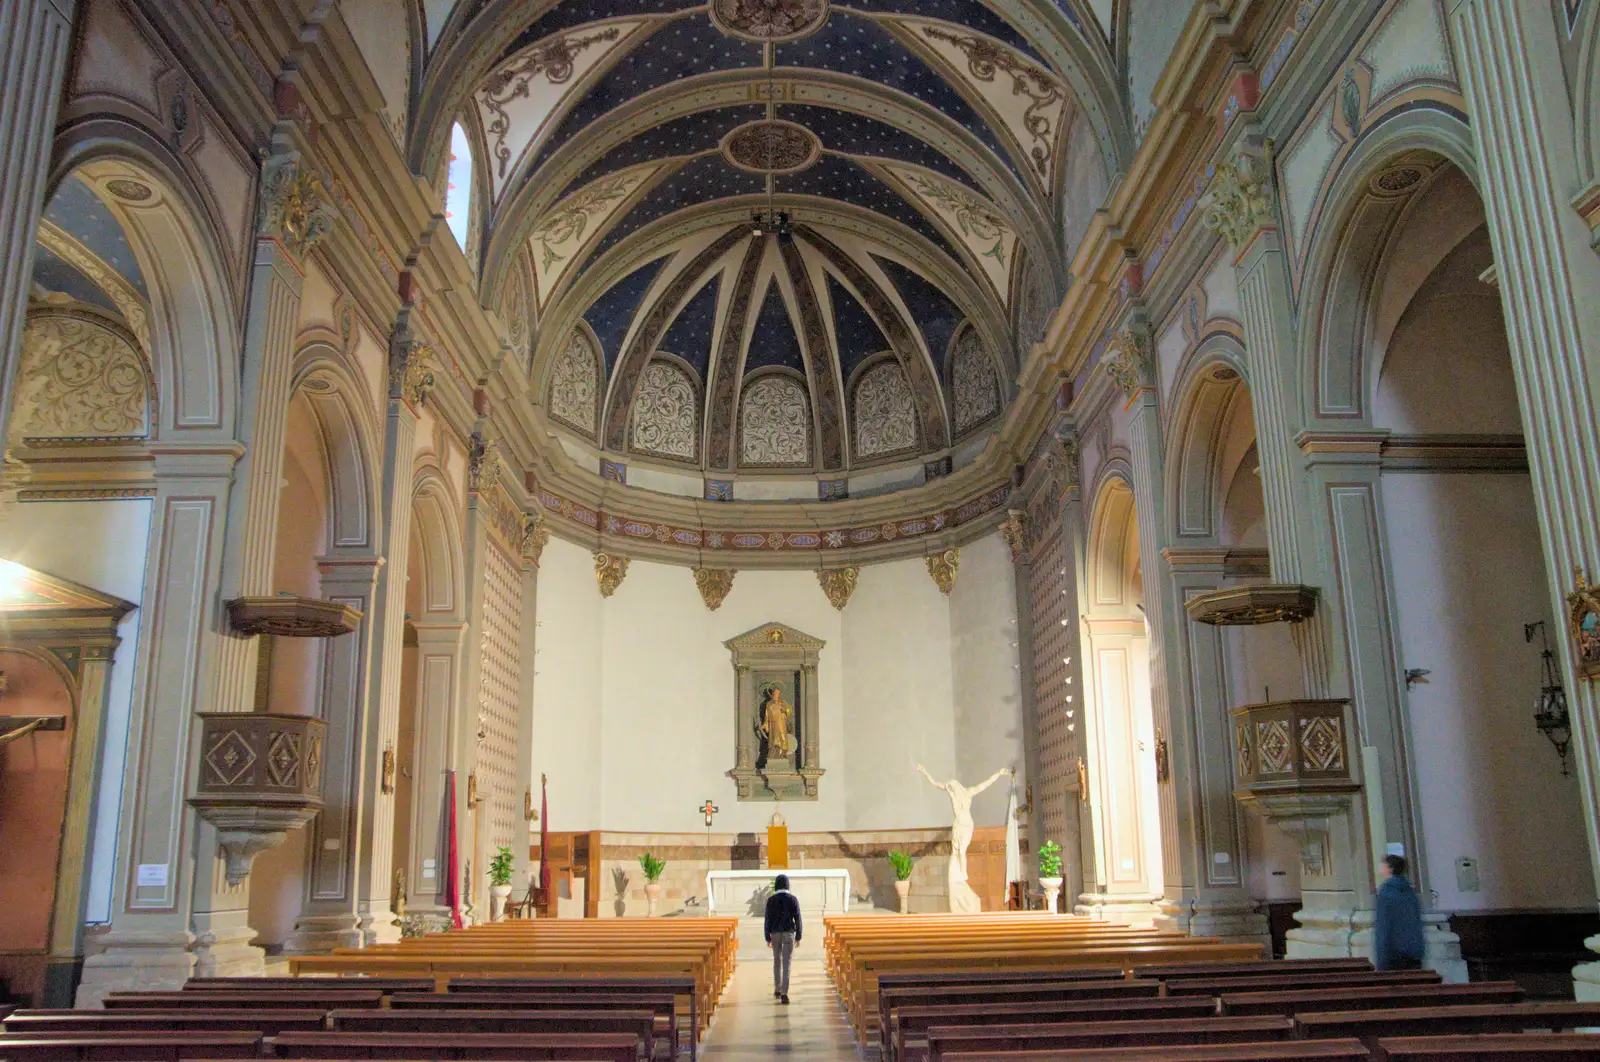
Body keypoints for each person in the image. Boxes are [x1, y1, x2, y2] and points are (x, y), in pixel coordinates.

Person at [1374, 854, 1425, 971]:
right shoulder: (1410, 891)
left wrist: (1381, 962)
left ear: (1390, 868)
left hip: (1393, 954)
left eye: (1383, 865)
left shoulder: (1386, 891)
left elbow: (1384, 925)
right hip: (1413, 951)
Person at [763, 873, 802, 1004]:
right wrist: (799, 936)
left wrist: (767, 936)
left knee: (776, 961)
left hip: (775, 933)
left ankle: (777, 989)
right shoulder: (792, 899)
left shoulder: (771, 900)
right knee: (787, 963)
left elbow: (767, 919)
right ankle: (785, 993)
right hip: (789, 933)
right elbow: (798, 919)